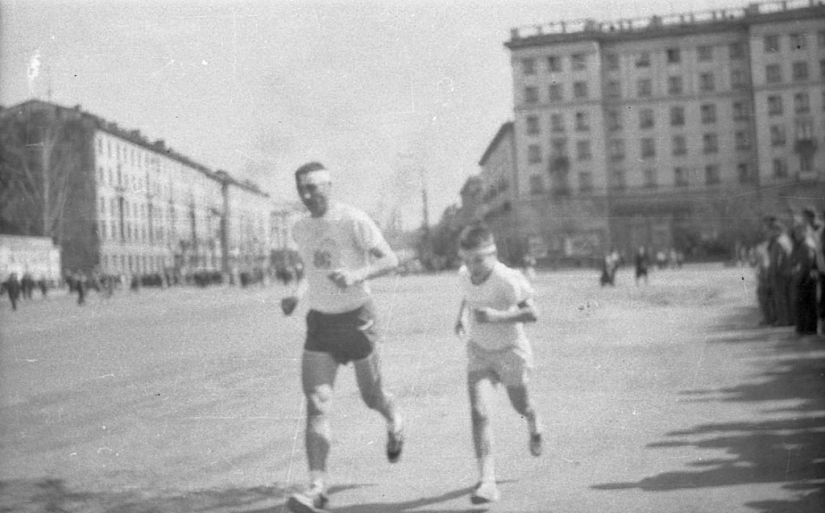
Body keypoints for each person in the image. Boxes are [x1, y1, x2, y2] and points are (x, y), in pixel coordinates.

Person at [280, 162, 404, 513]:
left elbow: (390, 259)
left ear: (329, 186)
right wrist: (297, 294)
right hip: (320, 323)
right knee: (317, 404)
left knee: (372, 397)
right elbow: (310, 269)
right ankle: (317, 487)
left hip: (357, 319)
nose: (307, 195)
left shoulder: (353, 220)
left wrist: (356, 274)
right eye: (301, 189)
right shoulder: (301, 228)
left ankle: (396, 423)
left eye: (314, 188)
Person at [453, 223, 544, 505]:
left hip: (510, 351)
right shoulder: (464, 275)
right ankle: (487, 481)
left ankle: (533, 421)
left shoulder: (508, 279)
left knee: (521, 406)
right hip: (479, 350)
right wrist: (459, 317)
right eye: (467, 260)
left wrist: (496, 317)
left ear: (493, 254)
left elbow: (533, 313)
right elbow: (468, 296)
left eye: (479, 260)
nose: (472, 267)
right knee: (479, 411)